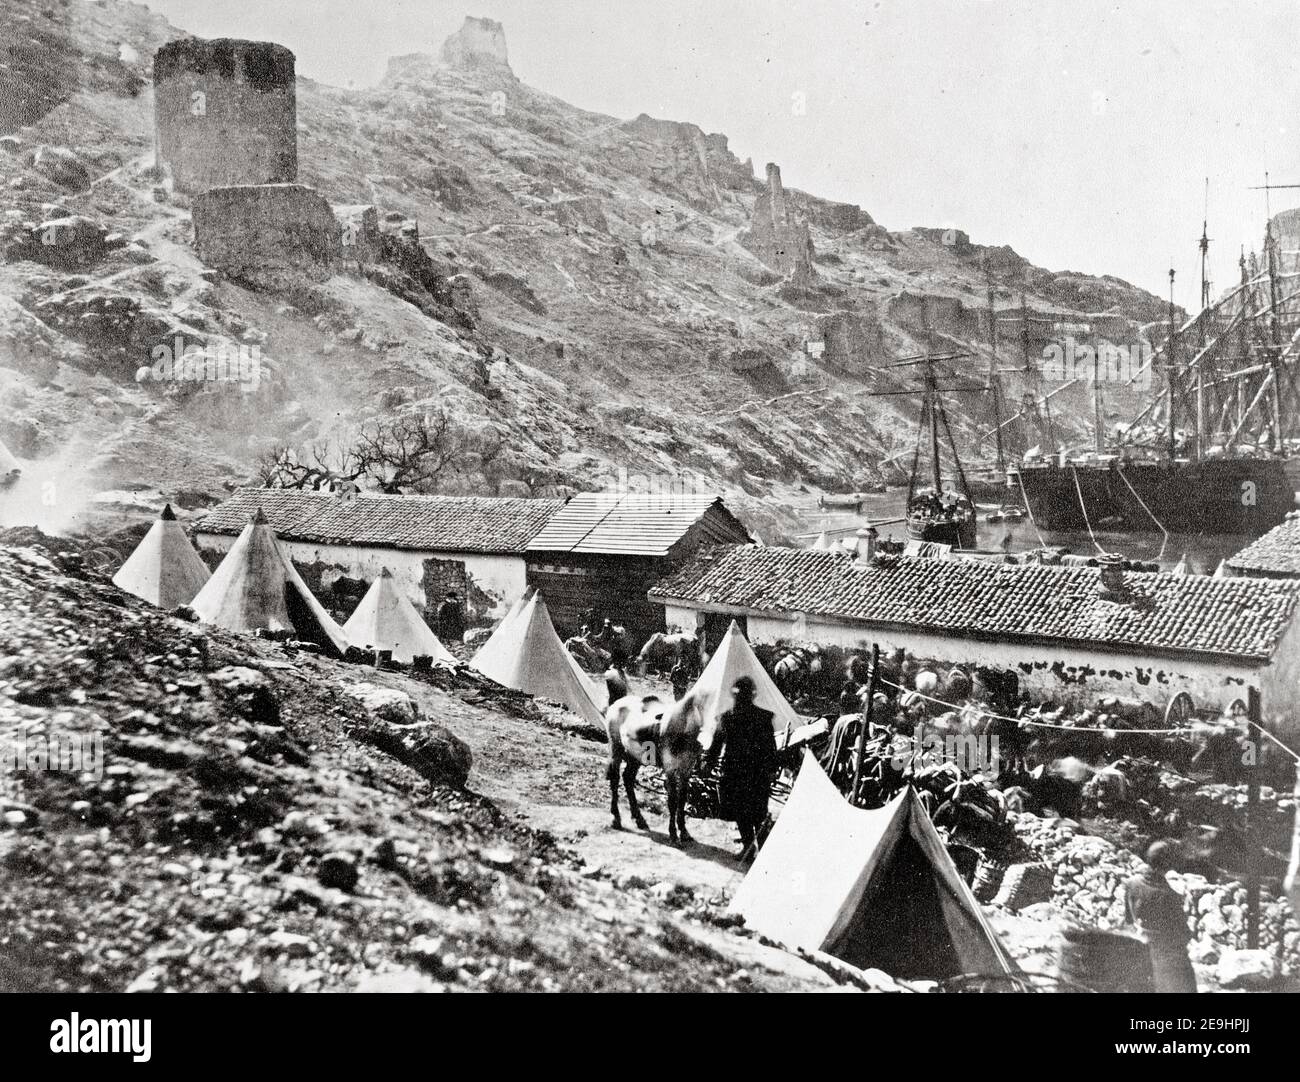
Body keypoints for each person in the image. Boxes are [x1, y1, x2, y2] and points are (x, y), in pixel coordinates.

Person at [703, 676, 777, 862]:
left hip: (735, 774)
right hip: (758, 775)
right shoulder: (763, 718)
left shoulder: (727, 718)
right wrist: (771, 771)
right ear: (752, 695)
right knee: (758, 813)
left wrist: (707, 766)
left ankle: (748, 848)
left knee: (741, 812)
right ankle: (763, 853)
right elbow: (771, 749)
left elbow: (715, 747)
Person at [1123, 840, 1197, 993]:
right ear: (1167, 865)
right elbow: (1183, 934)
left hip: (1141, 945)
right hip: (1165, 954)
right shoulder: (1169, 896)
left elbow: (1129, 920)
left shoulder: (1131, 884)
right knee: (1187, 978)